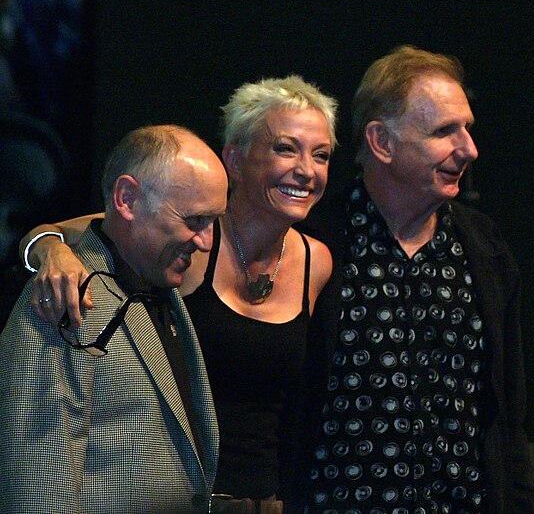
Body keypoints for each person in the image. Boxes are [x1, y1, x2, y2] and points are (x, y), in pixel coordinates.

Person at [17, 75, 338, 513]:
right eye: (286, 148)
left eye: (321, 155)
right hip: (177, 493)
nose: (307, 169)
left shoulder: (315, 261)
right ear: (235, 159)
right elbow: (101, 226)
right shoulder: (181, 242)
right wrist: (50, 251)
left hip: (262, 500)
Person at [300, 46, 534, 512]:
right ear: (382, 142)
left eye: (467, 128)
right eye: (444, 131)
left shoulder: (485, 249)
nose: (469, 149)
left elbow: (507, 419)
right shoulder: (316, 243)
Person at [1, 124, 228, 513]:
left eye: (212, 222)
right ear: (127, 199)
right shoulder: (63, 294)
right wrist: (46, 246)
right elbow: (37, 483)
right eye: (194, 221)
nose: (207, 241)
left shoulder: (157, 281)